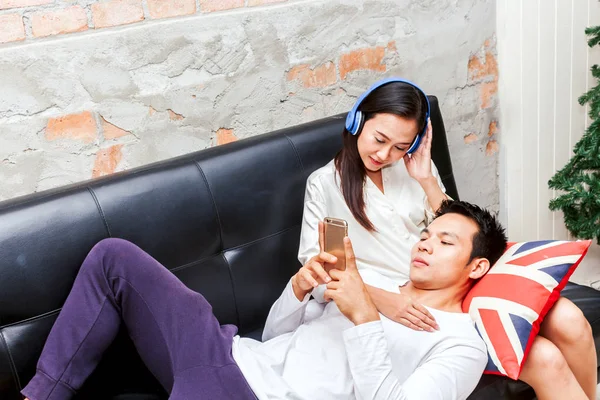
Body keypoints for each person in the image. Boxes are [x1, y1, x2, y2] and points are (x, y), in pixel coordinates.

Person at [22, 200, 504, 400]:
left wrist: (364, 319)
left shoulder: (462, 345)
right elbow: (275, 336)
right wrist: (299, 289)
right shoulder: (369, 277)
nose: (425, 244)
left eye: (446, 243)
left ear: (477, 267)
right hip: (228, 353)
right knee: (114, 256)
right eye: (426, 234)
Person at [298, 77, 597, 400]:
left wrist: (426, 180)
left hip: (456, 280)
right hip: (414, 301)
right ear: (357, 121)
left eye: (400, 147)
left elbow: (461, 226)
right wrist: (385, 301)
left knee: (571, 320)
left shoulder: (413, 169)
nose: (385, 154)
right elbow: (318, 273)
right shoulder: (324, 184)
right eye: (379, 139)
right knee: (545, 359)